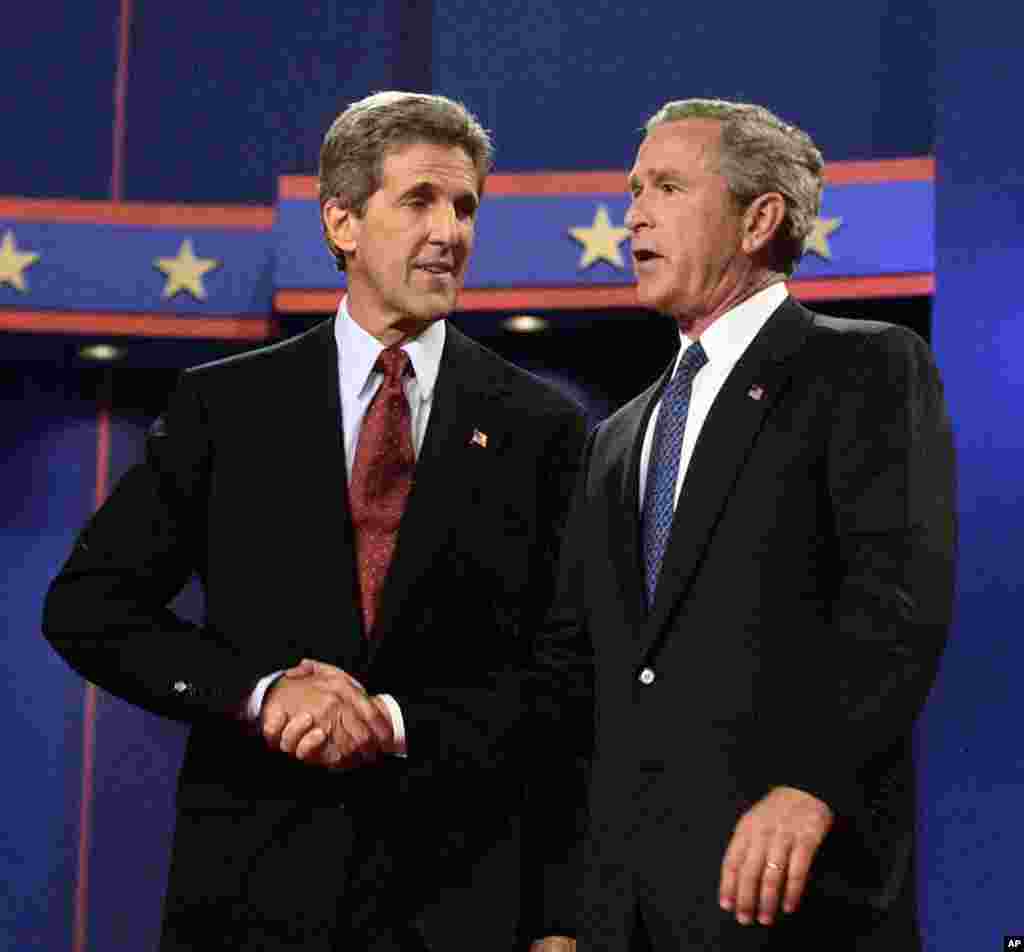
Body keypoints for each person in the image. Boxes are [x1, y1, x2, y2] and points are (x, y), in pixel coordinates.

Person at [43, 91, 585, 952]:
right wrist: (259, 695)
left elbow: (568, 677)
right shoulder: (225, 405)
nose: (450, 231)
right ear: (341, 222)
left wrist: (398, 724)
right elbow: (89, 606)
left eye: (465, 206)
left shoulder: (542, 428)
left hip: (458, 901)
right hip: (252, 895)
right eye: (419, 202)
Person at [542, 98, 956, 950]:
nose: (635, 214)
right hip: (629, 915)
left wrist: (812, 782)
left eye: (666, 186)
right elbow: (578, 675)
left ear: (758, 218)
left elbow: (894, 607)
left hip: (788, 899)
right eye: (632, 191)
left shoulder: (861, 367)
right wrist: (561, 911)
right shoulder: (619, 435)